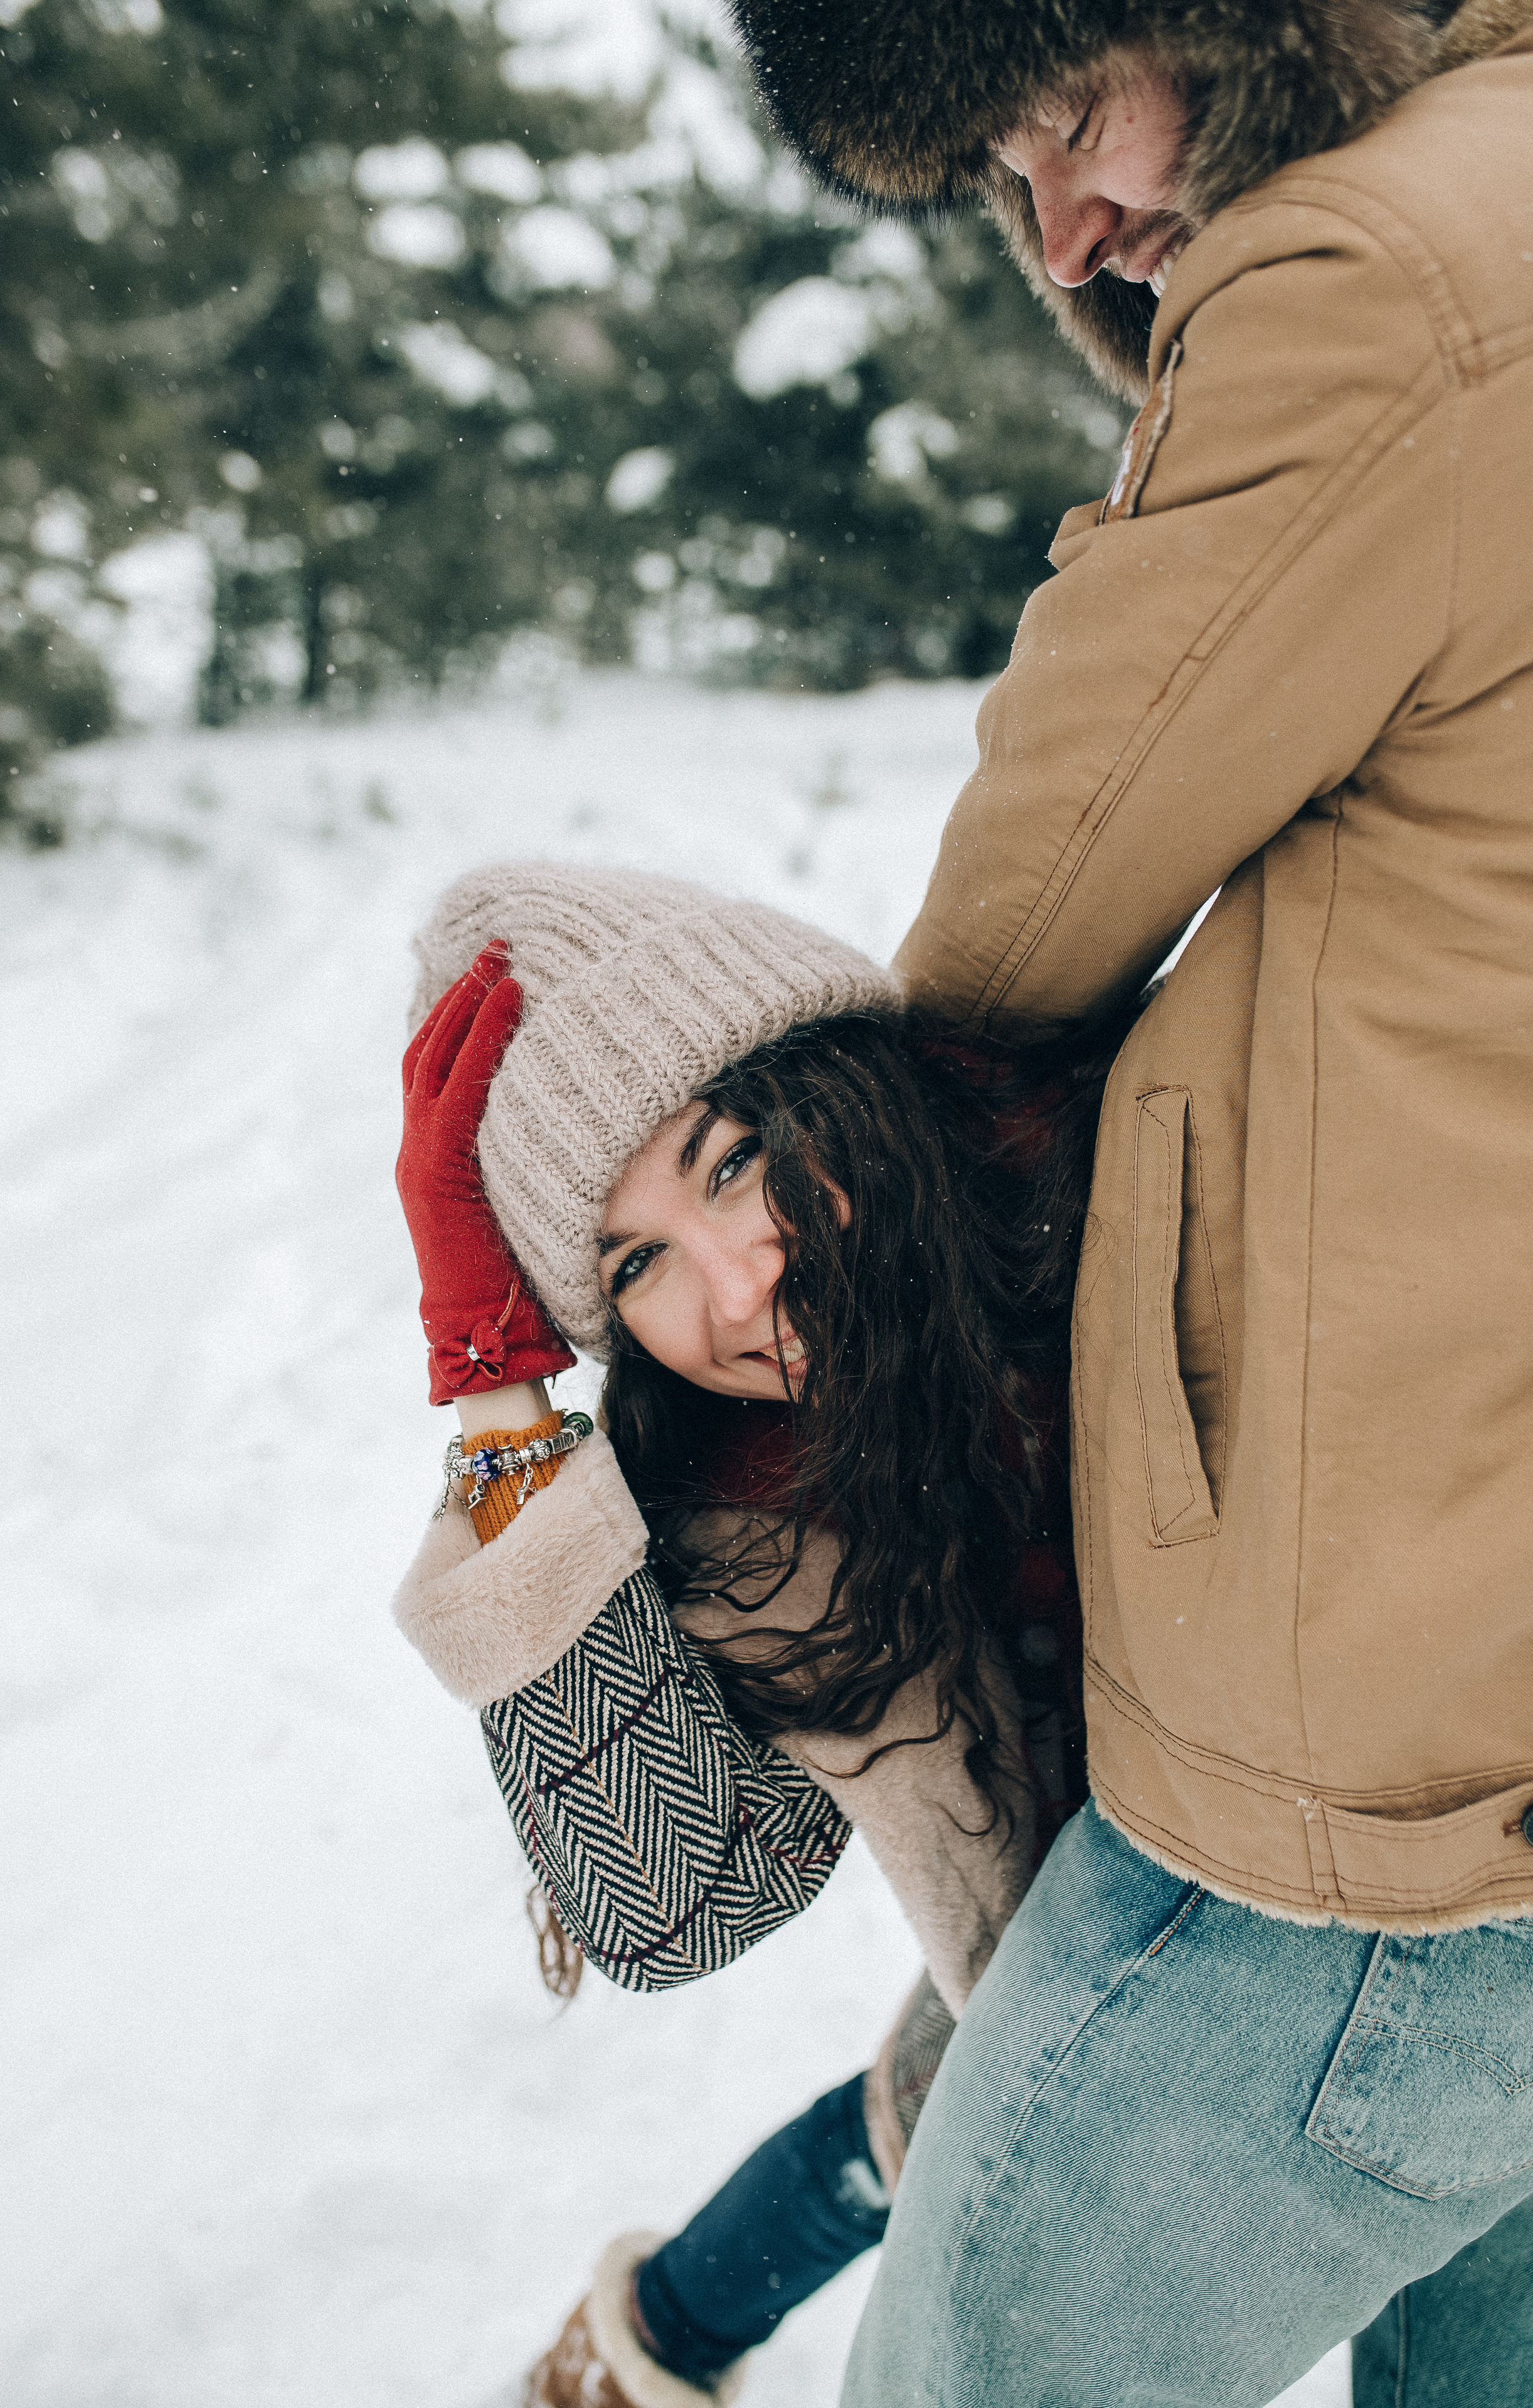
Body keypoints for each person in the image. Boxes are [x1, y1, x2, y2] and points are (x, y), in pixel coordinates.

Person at [718, 1, 1533, 2402]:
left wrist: (776, 1196)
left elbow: (1030, 905)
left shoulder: (1382, 273)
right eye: (1002, 169)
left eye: (1070, 106)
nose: (1070, 223)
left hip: (1350, 1801)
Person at [388, 863, 1112, 2405]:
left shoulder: (1115, 1176)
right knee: (934, 2111)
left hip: (1375, 1856)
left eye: (734, 1166)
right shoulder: (743, 1505)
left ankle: (650, 2333)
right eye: (630, 1265)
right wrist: (494, 1387)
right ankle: (643, 2341)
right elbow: (672, 1901)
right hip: (1095, 1950)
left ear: (833, 1082)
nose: (735, 1291)